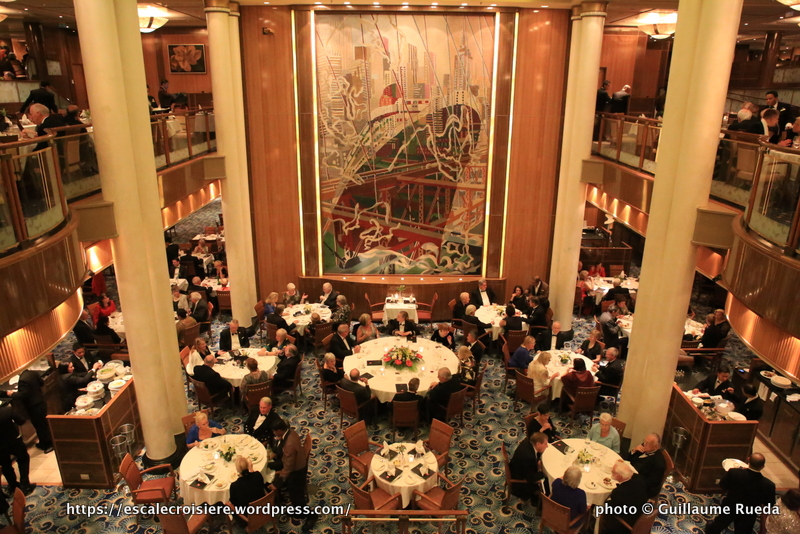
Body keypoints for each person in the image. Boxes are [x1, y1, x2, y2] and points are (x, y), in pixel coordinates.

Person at [706, 453, 776, 534]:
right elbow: (769, 503)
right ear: (763, 466)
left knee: (718, 525)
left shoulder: (734, 472)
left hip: (730, 506)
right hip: (749, 513)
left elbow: (723, 485)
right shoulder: (769, 485)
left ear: (748, 460)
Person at [269, 419, 314, 529]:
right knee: (294, 495)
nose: (274, 433)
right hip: (296, 463)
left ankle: (311, 516)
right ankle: (298, 512)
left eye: (275, 431)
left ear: (279, 430)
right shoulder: (290, 432)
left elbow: (288, 468)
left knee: (297, 496)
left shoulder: (289, 445)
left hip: (297, 471)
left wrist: (276, 484)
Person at [1, 369, 52, 453]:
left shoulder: (23, 380)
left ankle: (48, 444)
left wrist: (11, 394)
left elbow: (22, 395)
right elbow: (41, 383)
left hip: (34, 406)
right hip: (40, 402)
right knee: (41, 425)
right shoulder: (33, 373)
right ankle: (43, 442)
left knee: (41, 426)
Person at [601, 462, 648, 534]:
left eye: (613, 472)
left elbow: (611, 508)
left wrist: (603, 502)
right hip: (641, 510)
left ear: (619, 476)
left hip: (626, 522)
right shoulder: (640, 479)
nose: (611, 473)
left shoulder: (619, 492)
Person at [0, 402, 36, 495]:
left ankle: (13, 486)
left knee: (5, 465)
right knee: (23, 458)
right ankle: (25, 484)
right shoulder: (7, 410)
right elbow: (21, 420)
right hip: (13, 441)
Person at [510, 432, 549, 500]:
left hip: (517, 467)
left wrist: (537, 461)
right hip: (519, 480)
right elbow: (530, 478)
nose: (547, 446)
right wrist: (544, 474)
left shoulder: (527, 441)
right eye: (545, 444)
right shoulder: (528, 457)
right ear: (538, 444)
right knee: (547, 483)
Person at [628, 433, 667, 499]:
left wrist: (632, 476)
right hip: (633, 472)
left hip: (643, 485)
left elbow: (652, 482)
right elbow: (629, 459)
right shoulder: (645, 446)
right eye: (644, 441)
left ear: (656, 446)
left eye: (648, 443)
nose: (644, 444)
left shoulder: (659, 463)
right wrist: (634, 450)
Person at [229, 456, 266, 521]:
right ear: (247, 466)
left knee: (229, 505)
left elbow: (233, 502)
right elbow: (255, 482)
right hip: (263, 508)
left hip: (247, 516)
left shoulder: (234, 486)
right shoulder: (257, 475)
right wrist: (251, 470)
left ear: (237, 469)